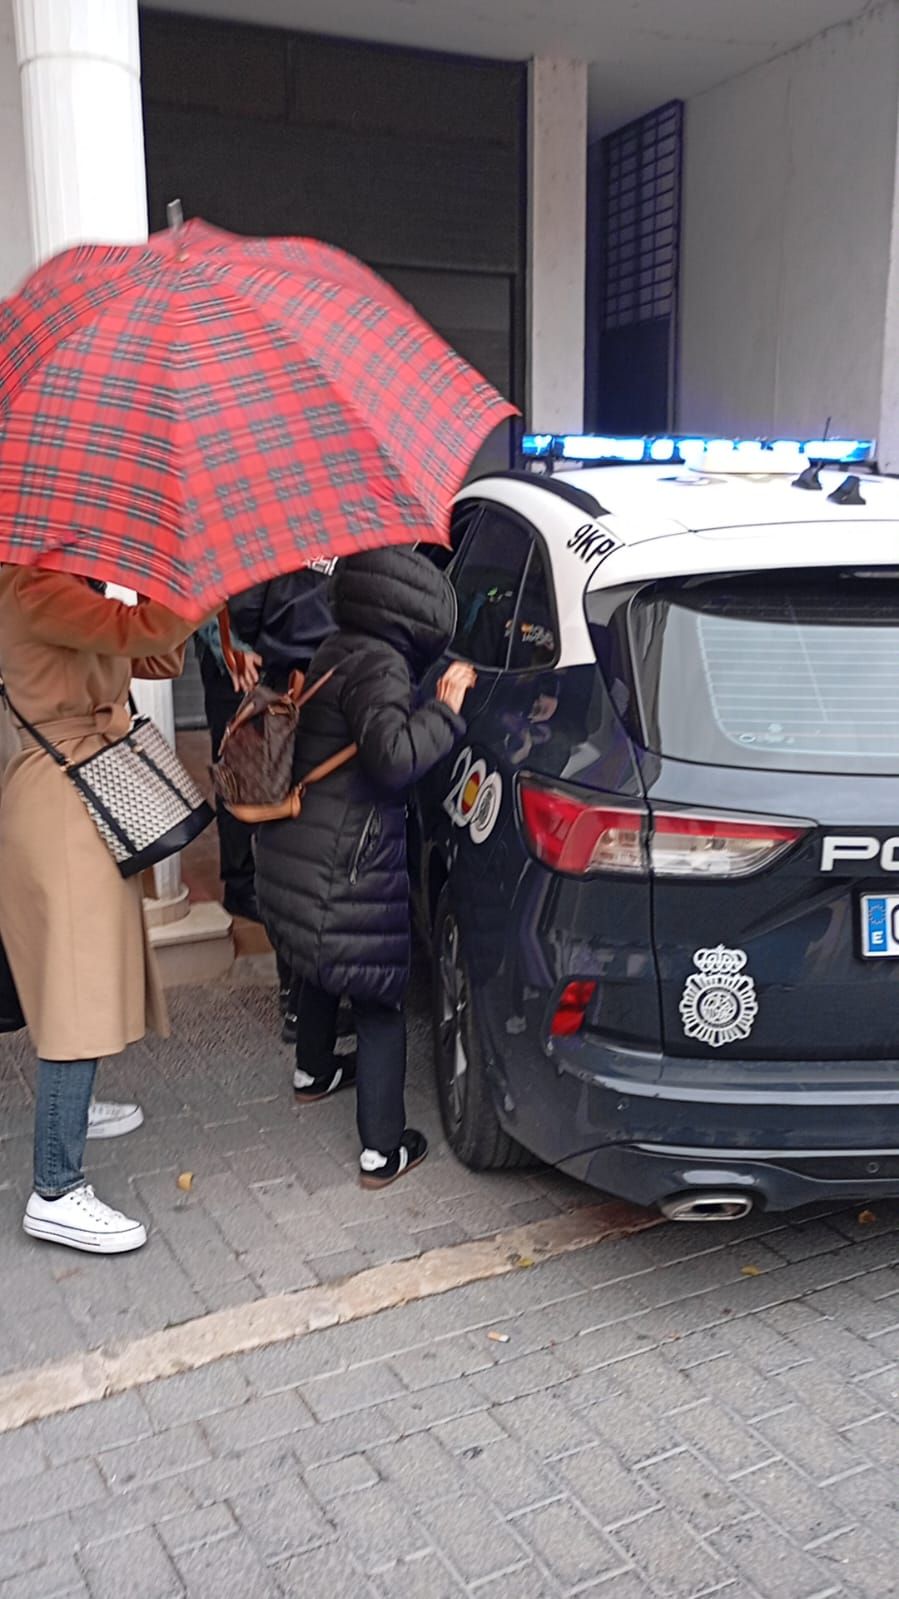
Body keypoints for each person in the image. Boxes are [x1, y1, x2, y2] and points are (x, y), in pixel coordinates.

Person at [256, 545, 475, 1188]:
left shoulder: (337, 646)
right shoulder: (380, 664)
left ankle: (313, 1071)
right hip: (351, 853)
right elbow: (392, 760)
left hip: (311, 843)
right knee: (379, 1000)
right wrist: (445, 708)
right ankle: (382, 1151)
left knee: (325, 963)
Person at [0, 569, 196, 1253]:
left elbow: (157, 654)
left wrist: (149, 589)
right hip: (60, 794)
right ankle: (55, 1186)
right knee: (76, 992)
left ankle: (72, 1111)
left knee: (91, 973)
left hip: (86, 787)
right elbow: (137, 632)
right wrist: (197, 588)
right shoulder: (34, 588)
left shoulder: (67, 589)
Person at [228, 563, 336, 1038]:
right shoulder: (359, 514)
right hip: (336, 687)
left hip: (280, 691)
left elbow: (244, 609)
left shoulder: (275, 520)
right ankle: (322, 995)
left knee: (279, 839)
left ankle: (294, 996)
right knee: (329, 840)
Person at [194, 617, 260, 922]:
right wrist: (228, 648)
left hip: (271, 654)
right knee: (235, 774)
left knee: (278, 769)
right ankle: (240, 885)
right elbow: (201, 605)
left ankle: (261, 879)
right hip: (230, 668)